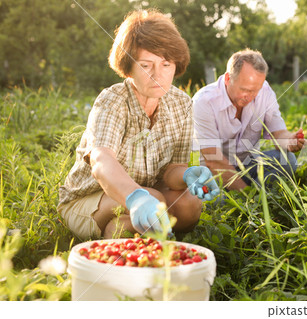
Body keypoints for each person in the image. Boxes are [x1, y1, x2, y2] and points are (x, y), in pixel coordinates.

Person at [58, 9, 219, 240]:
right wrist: (136, 197)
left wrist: (187, 174)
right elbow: (101, 161)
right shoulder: (112, 100)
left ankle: (127, 230)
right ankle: (123, 233)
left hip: (149, 194)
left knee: (188, 204)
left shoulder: (181, 103)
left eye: (166, 64)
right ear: (128, 66)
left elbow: (172, 170)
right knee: (155, 199)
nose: (158, 76)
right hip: (90, 199)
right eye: (146, 65)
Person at [193, 49, 305, 190]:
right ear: (228, 79)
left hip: (247, 165)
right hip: (213, 173)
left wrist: (290, 140)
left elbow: (278, 133)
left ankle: (257, 194)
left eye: (255, 90)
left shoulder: (265, 92)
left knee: (288, 161)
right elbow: (214, 161)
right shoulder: (203, 102)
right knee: (214, 200)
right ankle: (254, 195)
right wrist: (247, 198)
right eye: (245, 89)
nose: (250, 96)